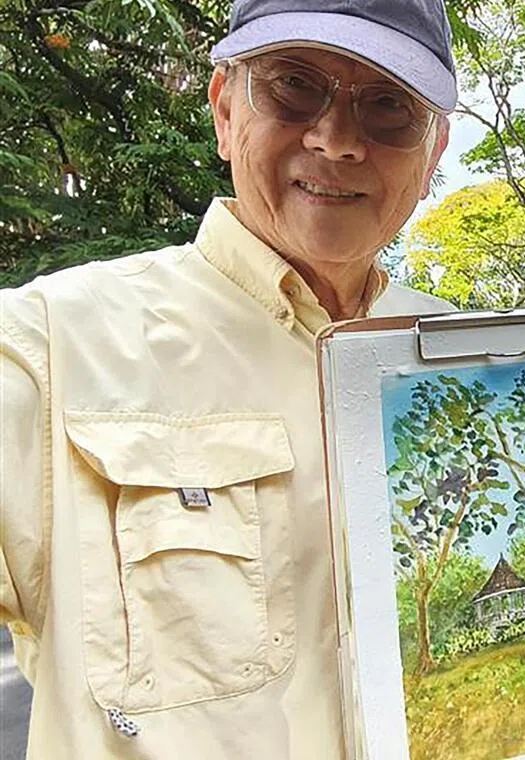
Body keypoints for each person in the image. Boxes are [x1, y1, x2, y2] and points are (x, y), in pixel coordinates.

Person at [0, 1, 457, 756]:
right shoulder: (45, 348)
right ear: (223, 110)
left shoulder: (471, 357)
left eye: (387, 106)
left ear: (432, 153)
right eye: (295, 85)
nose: (337, 140)